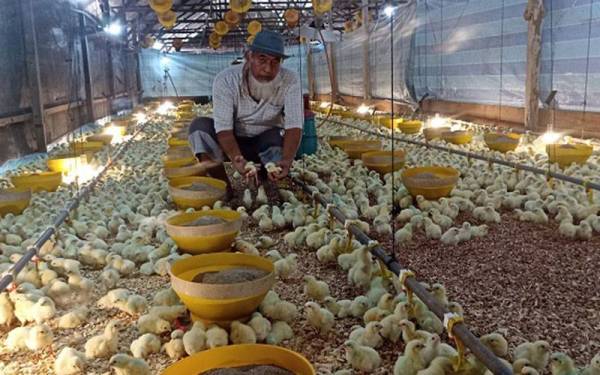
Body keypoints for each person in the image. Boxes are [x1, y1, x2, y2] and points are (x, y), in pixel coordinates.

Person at [188, 29, 303, 197]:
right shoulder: (226, 80)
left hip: (267, 141)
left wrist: (287, 160)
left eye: (275, 61)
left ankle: (268, 180)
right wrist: (236, 159)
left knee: (278, 139)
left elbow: (294, 125)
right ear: (249, 57)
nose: (268, 68)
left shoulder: (290, 80)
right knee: (199, 129)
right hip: (234, 139)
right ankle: (224, 188)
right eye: (262, 59)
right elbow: (223, 128)